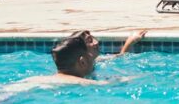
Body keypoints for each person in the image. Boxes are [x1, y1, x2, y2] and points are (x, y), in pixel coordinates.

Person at [9, 30, 147, 89]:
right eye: (90, 41)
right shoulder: (82, 82)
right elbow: (108, 85)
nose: (96, 42)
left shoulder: (39, 79)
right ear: (82, 61)